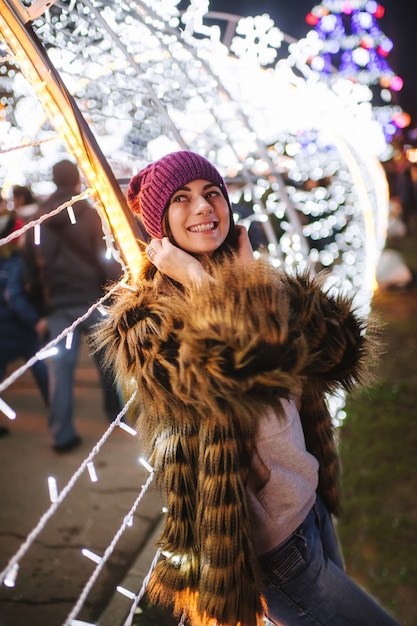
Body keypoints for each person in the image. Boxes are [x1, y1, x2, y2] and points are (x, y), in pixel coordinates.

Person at [95, 151, 400, 626]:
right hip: (272, 544)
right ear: (160, 225)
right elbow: (244, 376)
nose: (203, 207)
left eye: (211, 193)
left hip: (308, 505)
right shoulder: (146, 322)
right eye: (182, 199)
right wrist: (199, 282)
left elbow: (339, 352)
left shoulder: (252, 280)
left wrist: (251, 279)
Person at [26, 159, 122, 453]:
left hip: (58, 304)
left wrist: (41, 308)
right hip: (93, 300)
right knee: (108, 362)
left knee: (61, 371)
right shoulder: (89, 213)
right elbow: (104, 256)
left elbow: (30, 267)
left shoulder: (40, 217)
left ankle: (62, 434)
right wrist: (115, 296)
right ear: (76, 180)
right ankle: (116, 414)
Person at [0, 192, 49, 437]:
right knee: (38, 363)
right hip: (18, 328)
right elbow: (15, 297)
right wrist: (36, 321)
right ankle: (54, 405)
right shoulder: (15, 263)